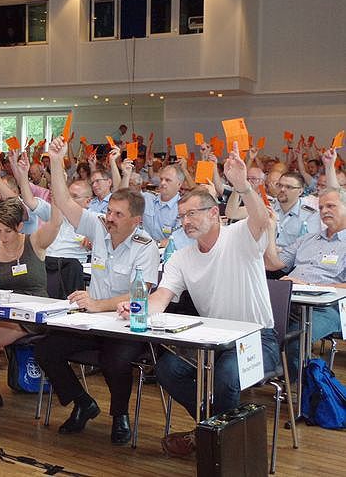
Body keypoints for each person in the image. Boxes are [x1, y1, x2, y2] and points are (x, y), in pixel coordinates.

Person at [121, 142, 281, 457]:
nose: (186, 222)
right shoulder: (182, 257)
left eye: (191, 214)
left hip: (257, 339)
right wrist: (138, 308)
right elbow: (162, 297)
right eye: (182, 217)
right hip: (213, 343)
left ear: (213, 213)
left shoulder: (239, 236)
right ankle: (215, 431)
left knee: (224, 377)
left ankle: (216, 443)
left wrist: (244, 186)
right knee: (168, 369)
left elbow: (261, 222)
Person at [35, 136, 159, 446]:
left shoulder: (146, 248)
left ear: (136, 221)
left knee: (114, 361)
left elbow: (140, 294)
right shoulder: (98, 227)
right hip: (92, 319)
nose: (110, 219)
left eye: (118, 215)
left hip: (125, 324)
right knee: (46, 349)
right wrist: (56, 161)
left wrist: (97, 304)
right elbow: (63, 202)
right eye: (109, 213)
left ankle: (120, 415)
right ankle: (82, 402)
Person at [0, 191, 63, 425]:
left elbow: (56, 222)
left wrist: (57, 190)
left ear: (19, 226)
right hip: (1, 313)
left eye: (8, 231)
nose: (3, 236)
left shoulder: (34, 242)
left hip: (33, 315)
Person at [264, 187, 346, 377]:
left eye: (331, 206)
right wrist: (270, 229)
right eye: (322, 207)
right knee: (258, 328)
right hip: (291, 302)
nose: (325, 211)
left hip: (328, 308)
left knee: (295, 339)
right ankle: (259, 374)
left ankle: (296, 390)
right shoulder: (307, 239)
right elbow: (272, 264)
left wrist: (309, 287)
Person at [272, 172, 320, 249]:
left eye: (288, 187)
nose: (282, 189)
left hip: (292, 258)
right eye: (280, 185)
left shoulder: (310, 215)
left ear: (300, 191)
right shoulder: (268, 207)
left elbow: (309, 246)